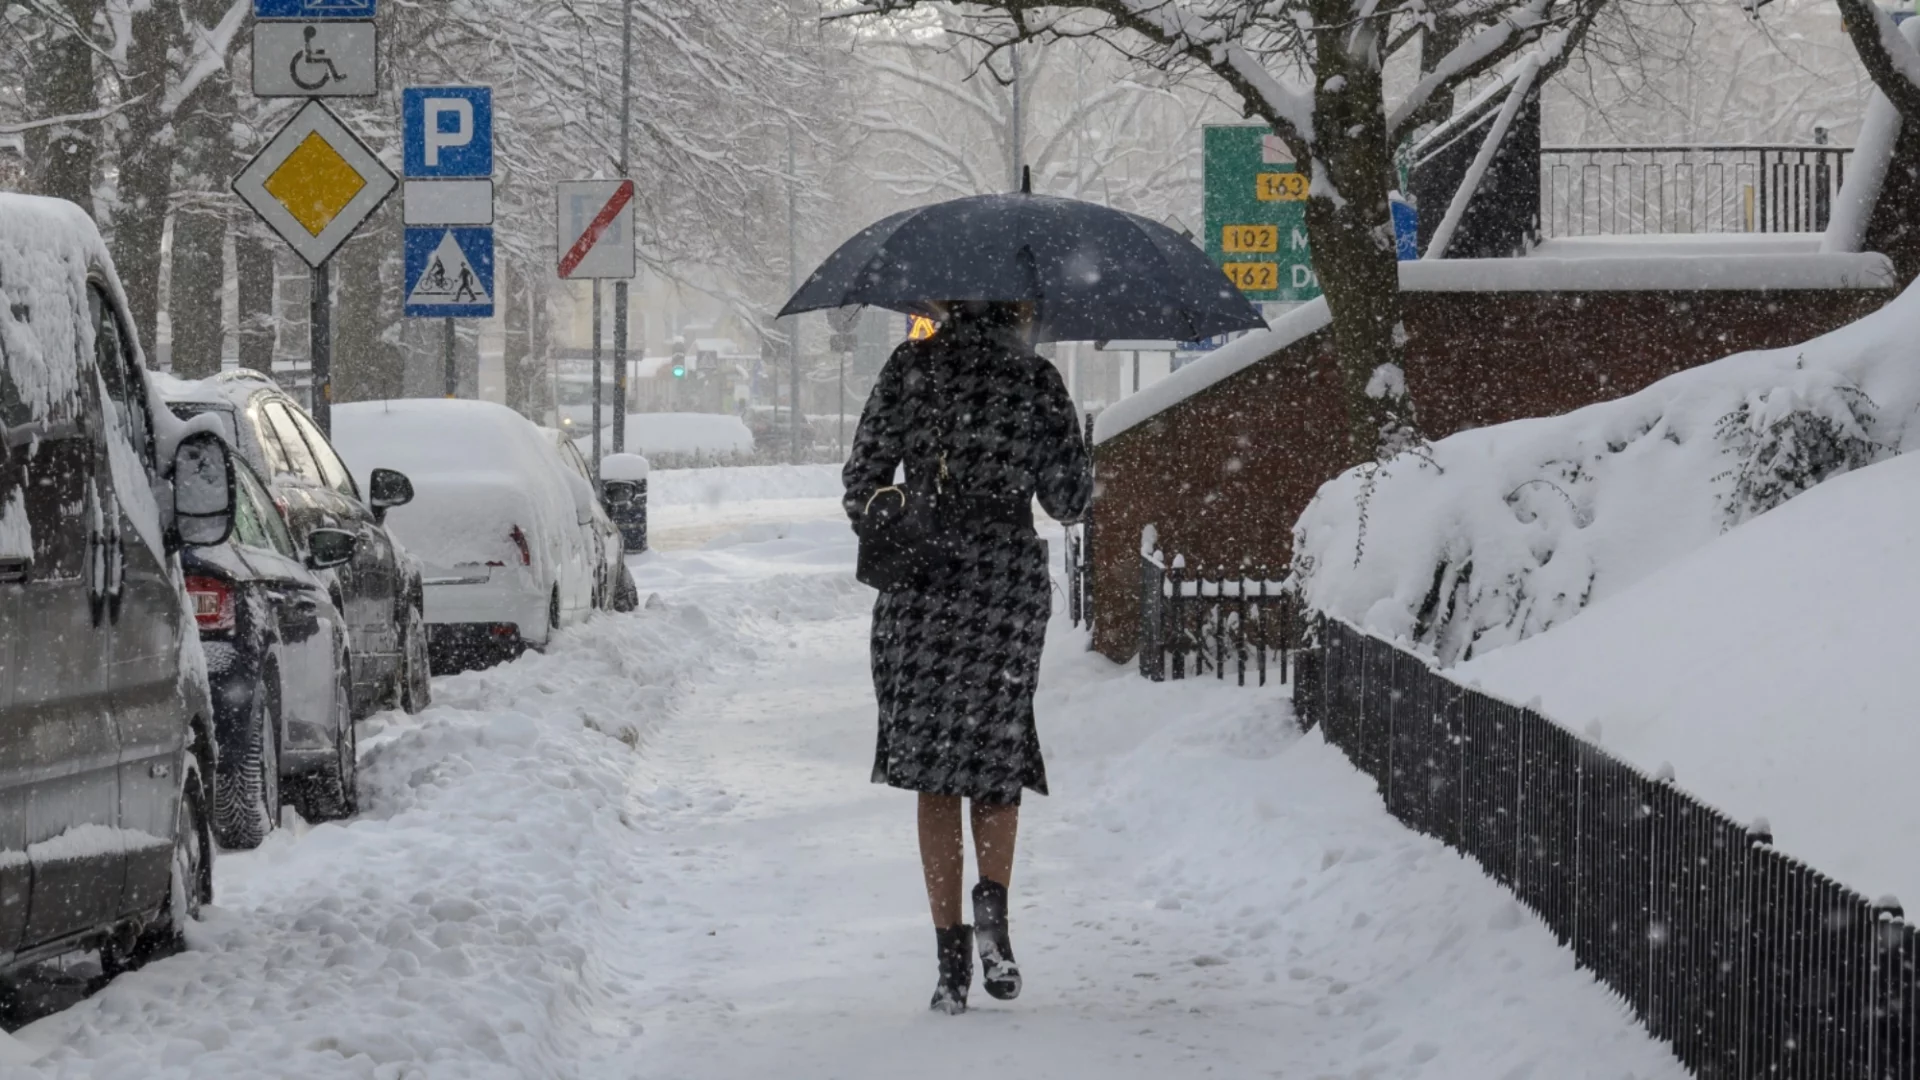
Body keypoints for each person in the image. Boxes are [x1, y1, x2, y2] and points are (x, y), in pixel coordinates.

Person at [842, 300, 1093, 1015]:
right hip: (1003, 589)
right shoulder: (1036, 379)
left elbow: (861, 486)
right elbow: (1069, 500)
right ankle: (994, 922)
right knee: (995, 762)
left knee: (935, 775)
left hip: (923, 586)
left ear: (945, 301)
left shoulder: (911, 367)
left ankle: (949, 963)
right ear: (1019, 304)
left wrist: (909, 509)